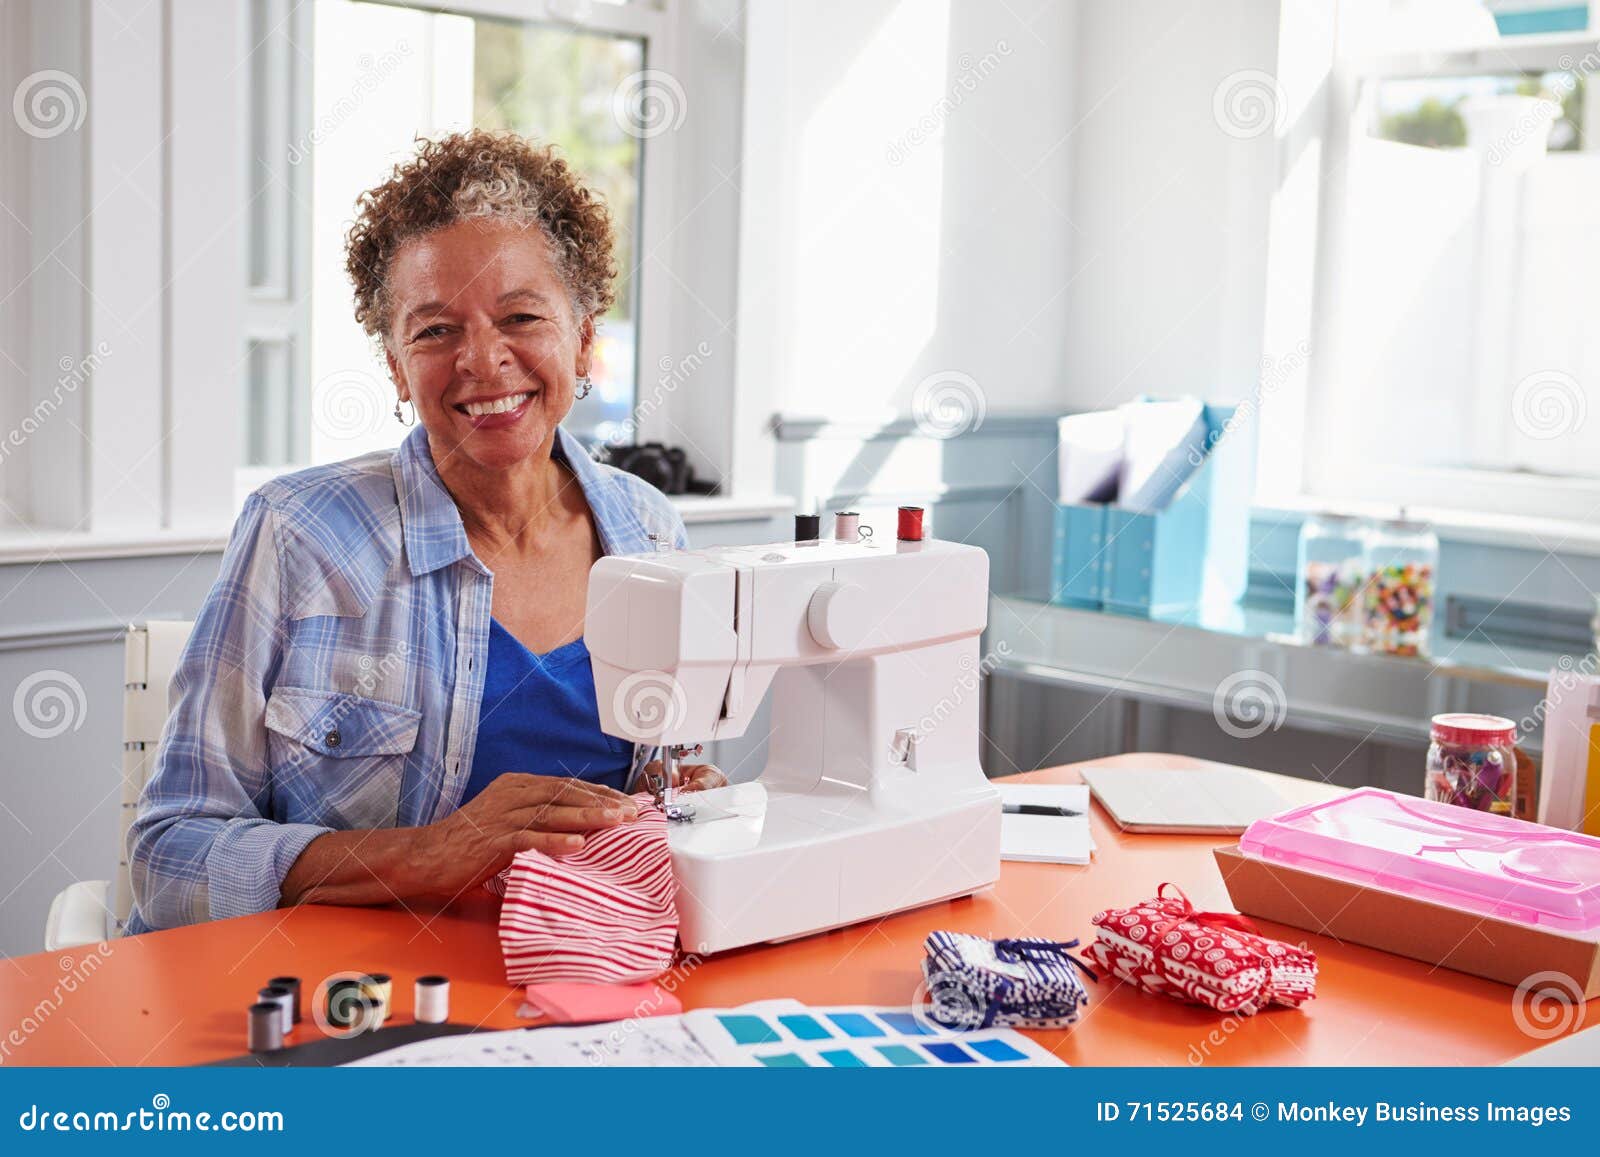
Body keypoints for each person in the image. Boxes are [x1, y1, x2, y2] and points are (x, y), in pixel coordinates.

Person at [128, 130, 722, 932]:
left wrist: (692, 812)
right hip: (347, 1000)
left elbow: (670, 786)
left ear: (583, 340)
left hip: (585, 979)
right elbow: (170, 855)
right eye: (435, 330)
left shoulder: (651, 531)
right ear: (395, 366)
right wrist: (431, 851)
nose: (482, 360)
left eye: (520, 315)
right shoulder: (297, 534)